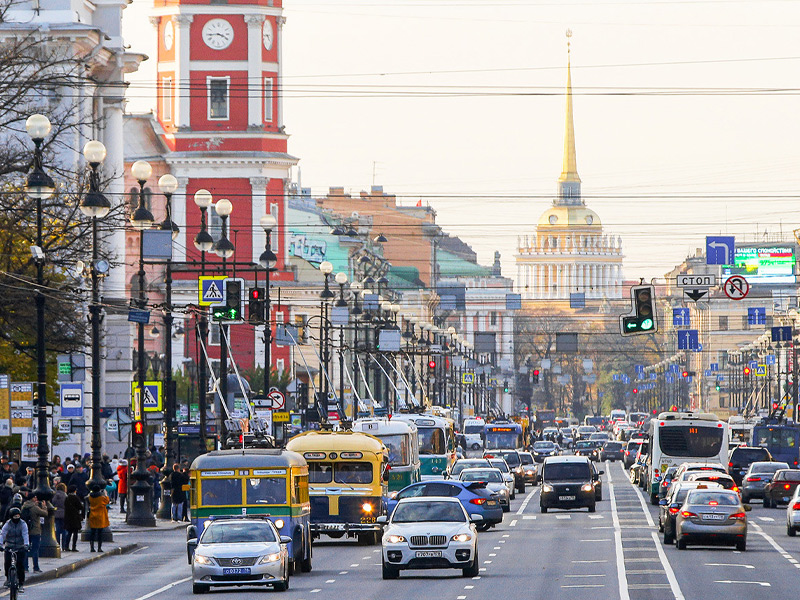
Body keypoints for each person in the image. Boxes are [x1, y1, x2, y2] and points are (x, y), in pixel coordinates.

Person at [0, 507, 28, 592]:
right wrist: (0, 544)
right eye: (15, 517)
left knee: (20, 565)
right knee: (7, 562)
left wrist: (26, 544)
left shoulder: (23, 524)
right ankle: (8, 579)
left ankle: (21, 584)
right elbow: (2, 534)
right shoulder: (7, 524)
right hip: (9, 546)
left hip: (20, 546)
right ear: (11, 517)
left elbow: (25, 534)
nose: (16, 518)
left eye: (18, 516)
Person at [21, 494, 48, 573]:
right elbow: (45, 514)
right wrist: (44, 507)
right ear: (32, 498)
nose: (36, 498)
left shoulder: (24, 506)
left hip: (26, 530)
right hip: (35, 530)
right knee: (35, 550)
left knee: (26, 549)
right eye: (35, 497)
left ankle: (25, 567)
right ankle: (36, 567)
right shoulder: (34, 508)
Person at [64, 485, 84, 552]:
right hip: (75, 517)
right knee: (75, 533)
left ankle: (66, 546)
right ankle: (73, 547)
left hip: (68, 517)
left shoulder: (67, 498)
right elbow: (80, 507)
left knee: (69, 533)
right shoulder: (76, 498)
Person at [52, 483, 67, 551]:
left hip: (57, 513)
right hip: (64, 513)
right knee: (64, 530)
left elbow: (53, 502)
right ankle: (64, 545)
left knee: (57, 530)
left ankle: (57, 544)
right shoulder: (65, 495)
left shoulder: (55, 495)